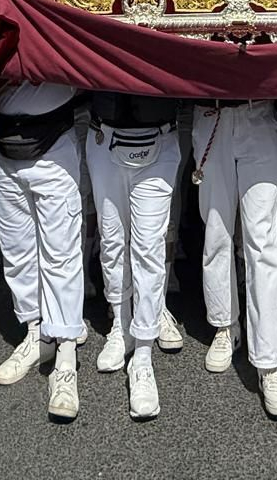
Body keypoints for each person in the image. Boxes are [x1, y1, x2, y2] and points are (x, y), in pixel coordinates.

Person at [0, 78, 86, 420]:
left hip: (53, 145)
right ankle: (36, 332)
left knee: (61, 255)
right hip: (3, 144)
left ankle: (65, 356)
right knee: (17, 252)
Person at [192, 94, 277, 418]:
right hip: (212, 111)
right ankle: (225, 326)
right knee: (217, 233)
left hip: (259, 112)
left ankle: (269, 363)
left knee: (263, 244)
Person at [85, 91, 182, 420]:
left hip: (158, 135)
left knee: (147, 249)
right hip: (104, 134)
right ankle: (120, 324)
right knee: (111, 241)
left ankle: (143, 354)